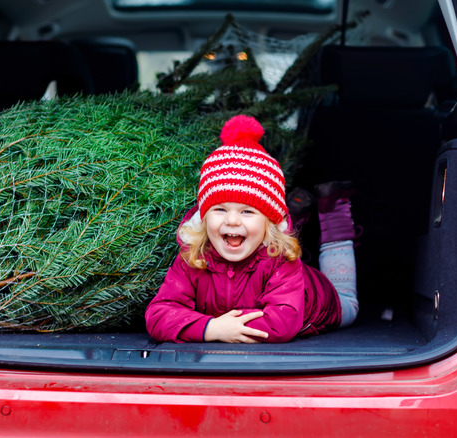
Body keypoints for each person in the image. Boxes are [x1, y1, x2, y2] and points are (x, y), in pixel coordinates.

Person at [145, 115, 360, 343]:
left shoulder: (281, 261)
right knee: (262, 235)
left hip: (322, 300)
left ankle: (333, 213)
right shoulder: (193, 258)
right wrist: (212, 328)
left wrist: (225, 326)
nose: (233, 221)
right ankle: (290, 217)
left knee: (349, 303)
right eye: (220, 209)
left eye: (247, 211)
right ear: (203, 217)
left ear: (269, 222)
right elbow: (158, 314)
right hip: (269, 248)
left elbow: (281, 322)